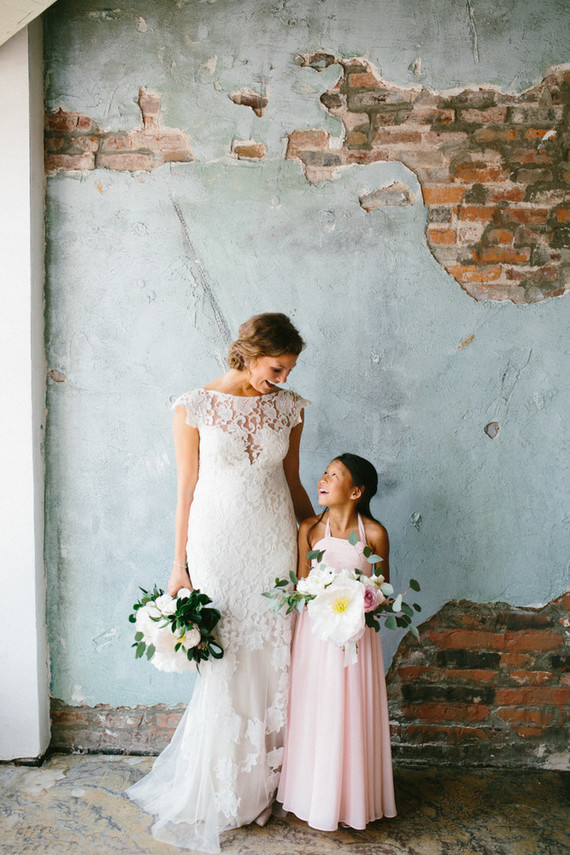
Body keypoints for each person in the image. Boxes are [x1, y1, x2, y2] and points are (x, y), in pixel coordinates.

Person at [127, 313, 313, 853]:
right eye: (275, 368)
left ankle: (271, 780)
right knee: (228, 660)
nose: (280, 379)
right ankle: (225, 789)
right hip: (218, 546)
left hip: (274, 540)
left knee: (274, 654)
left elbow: (293, 480)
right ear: (249, 354)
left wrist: (317, 541)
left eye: (289, 370)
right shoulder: (195, 406)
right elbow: (185, 489)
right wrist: (179, 565)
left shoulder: (289, 407)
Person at [277, 453, 397, 830]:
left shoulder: (374, 534)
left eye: (335, 475)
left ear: (357, 491)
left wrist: (366, 600)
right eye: (325, 472)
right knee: (317, 710)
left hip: (357, 641)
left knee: (352, 711)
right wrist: (319, 595)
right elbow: (300, 588)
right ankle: (312, 796)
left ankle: (353, 801)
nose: (323, 479)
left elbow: (384, 593)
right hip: (315, 638)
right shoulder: (310, 530)